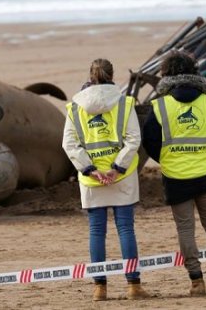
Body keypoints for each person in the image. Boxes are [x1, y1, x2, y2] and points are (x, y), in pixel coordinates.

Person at [141, 50, 206, 297]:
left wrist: (166, 159)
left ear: (166, 73)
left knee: (186, 230)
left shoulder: (161, 105)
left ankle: (196, 283)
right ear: (195, 71)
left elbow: (149, 140)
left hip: (175, 175)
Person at [62, 58, 150, 302]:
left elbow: (69, 144)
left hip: (92, 181)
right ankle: (133, 286)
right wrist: (116, 168)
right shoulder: (124, 104)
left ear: (90, 76)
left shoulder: (75, 107)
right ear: (113, 75)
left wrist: (90, 169)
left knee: (96, 231)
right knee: (125, 229)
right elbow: (134, 139)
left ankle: (99, 288)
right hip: (121, 177)